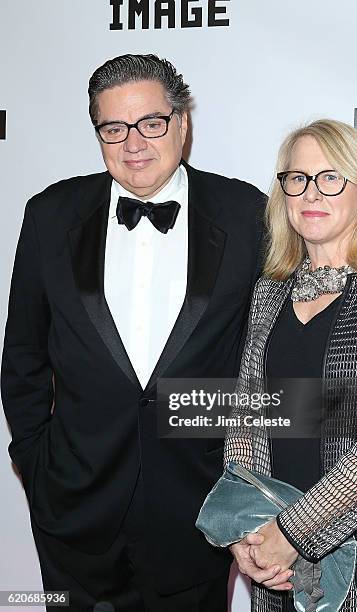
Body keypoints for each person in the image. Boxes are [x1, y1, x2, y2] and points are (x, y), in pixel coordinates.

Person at [1, 54, 265, 611]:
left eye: (151, 122)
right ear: (97, 132)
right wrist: (35, 458)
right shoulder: (50, 214)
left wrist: (247, 484)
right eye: (113, 128)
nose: (134, 143)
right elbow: (23, 352)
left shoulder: (247, 214)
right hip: (74, 506)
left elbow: (272, 357)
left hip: (198, 508)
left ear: (182, 123)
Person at [224, 119, 357, 611]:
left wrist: (294, 532)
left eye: (331, 178)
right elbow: (247, 420)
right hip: (276, 566)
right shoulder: (269, 291)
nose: (311, 192)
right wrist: (247, 529)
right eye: (297, 178)